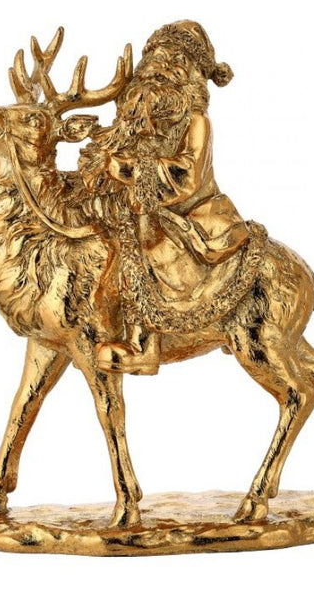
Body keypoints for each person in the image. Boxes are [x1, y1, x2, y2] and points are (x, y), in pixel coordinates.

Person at [78, 21, 250, 375]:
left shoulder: (196, 122)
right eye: (156, 57)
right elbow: (110, 151)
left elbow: (186, 176)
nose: (161, 66)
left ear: (192, 75)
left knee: (142, 247)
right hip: (127, 206)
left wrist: (123, 168)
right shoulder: (133, 116)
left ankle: (142, 346)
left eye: (176, 60)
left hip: (184, 214)